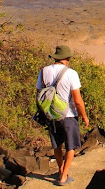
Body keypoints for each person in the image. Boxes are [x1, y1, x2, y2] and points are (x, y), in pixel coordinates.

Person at [36, 45, 90, 186]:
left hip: (51, 114)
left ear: (55, 57)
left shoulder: (43, 71)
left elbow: (39, 93)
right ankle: (64, 176)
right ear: (67, 58)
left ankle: (60, 170)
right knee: (70, 147)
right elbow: (77, 100)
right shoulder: (72, 73)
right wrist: (84, 116)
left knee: (57, 145)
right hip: (69, 115)